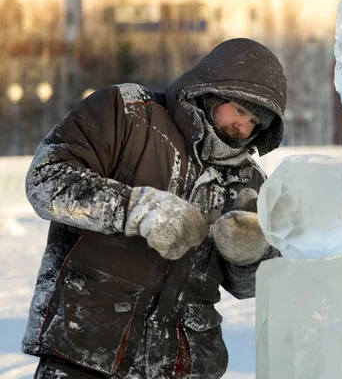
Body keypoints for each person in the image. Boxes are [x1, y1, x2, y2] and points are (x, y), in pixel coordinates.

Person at [22, 38, 286, 378]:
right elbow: (46, 180)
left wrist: (250, 255)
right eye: (240, 111)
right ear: (212, 92)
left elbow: (251, 287)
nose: (244, 128)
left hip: (183, 366)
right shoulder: (127, 113)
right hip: (86, 350)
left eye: (255, 124)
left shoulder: (249, 181)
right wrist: (137, 208)